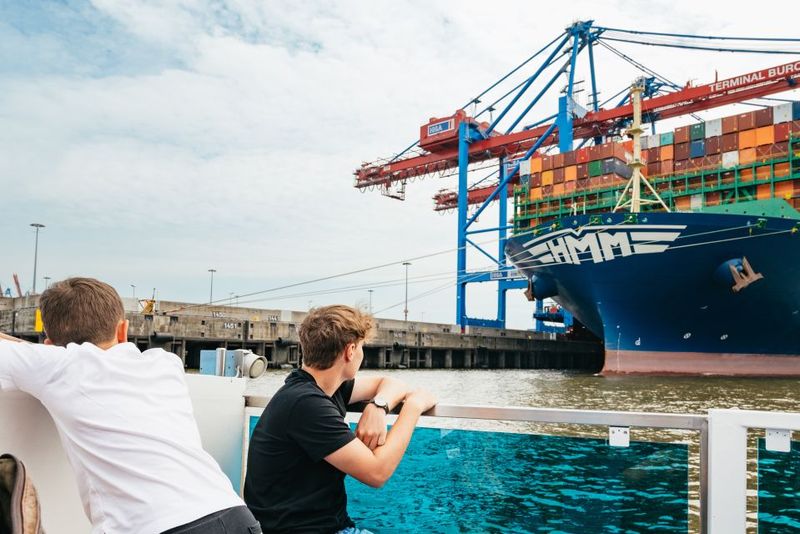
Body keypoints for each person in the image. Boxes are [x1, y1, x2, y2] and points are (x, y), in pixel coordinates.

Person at [0, 277, 260, 534]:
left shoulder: (57, 366)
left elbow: (38, 356)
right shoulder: (165, 362)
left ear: (49, 346)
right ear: (123, 330)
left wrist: (45, 353)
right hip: (233, 514)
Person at [244, 305, 437, 533]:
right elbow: (377, 472)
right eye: (362, 347)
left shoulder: (319, 388)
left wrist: (378, 406)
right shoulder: (307, 404)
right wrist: (413, 408)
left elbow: (392, 383)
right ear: (351, 351)